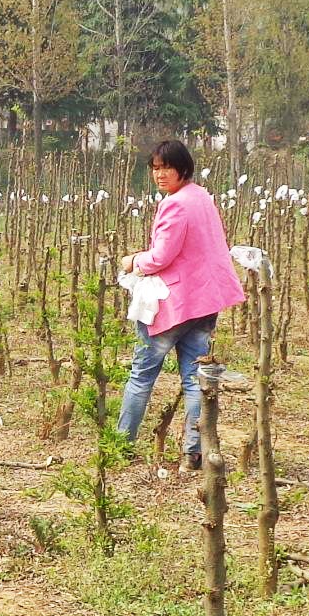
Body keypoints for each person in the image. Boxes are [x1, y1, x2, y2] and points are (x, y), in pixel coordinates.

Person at [117, 140, 247, 472]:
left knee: (141, 375)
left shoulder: (175, 204)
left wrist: (132, 261)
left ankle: (120, 446)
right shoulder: (201, 196)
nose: (160, 175)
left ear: (183, 168)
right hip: (205, 301)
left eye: (167, 168)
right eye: (155, 168)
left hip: (174, 303)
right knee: (195, 377)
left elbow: (160, 257)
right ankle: (195, 453)